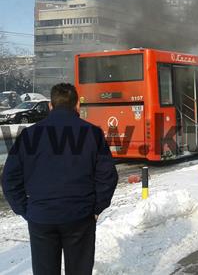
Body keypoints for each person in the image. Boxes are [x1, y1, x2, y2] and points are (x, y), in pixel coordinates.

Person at [2, 83, 118, 275]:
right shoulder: (93, 133)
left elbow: (9, 179)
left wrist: (26, 210)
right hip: (80, 216)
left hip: (41, 217)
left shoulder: (29, 135)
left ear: (50, 106)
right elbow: (107, 176)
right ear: (77, 106)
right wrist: (97, 207)